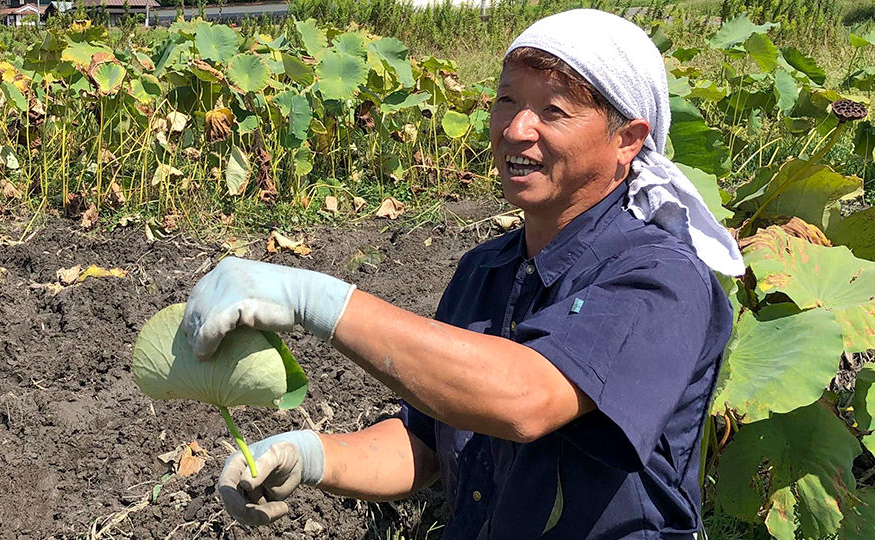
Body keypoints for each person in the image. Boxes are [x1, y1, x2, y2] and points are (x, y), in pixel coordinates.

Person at [183, 9, 744, 540]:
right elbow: (424, 443)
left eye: (552, 111)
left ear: (627, 139)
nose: (517, 129)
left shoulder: (660, 278)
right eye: (506, 100)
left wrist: (314, 299)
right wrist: (310, 456)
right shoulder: (486, 269)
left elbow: (527, 399)